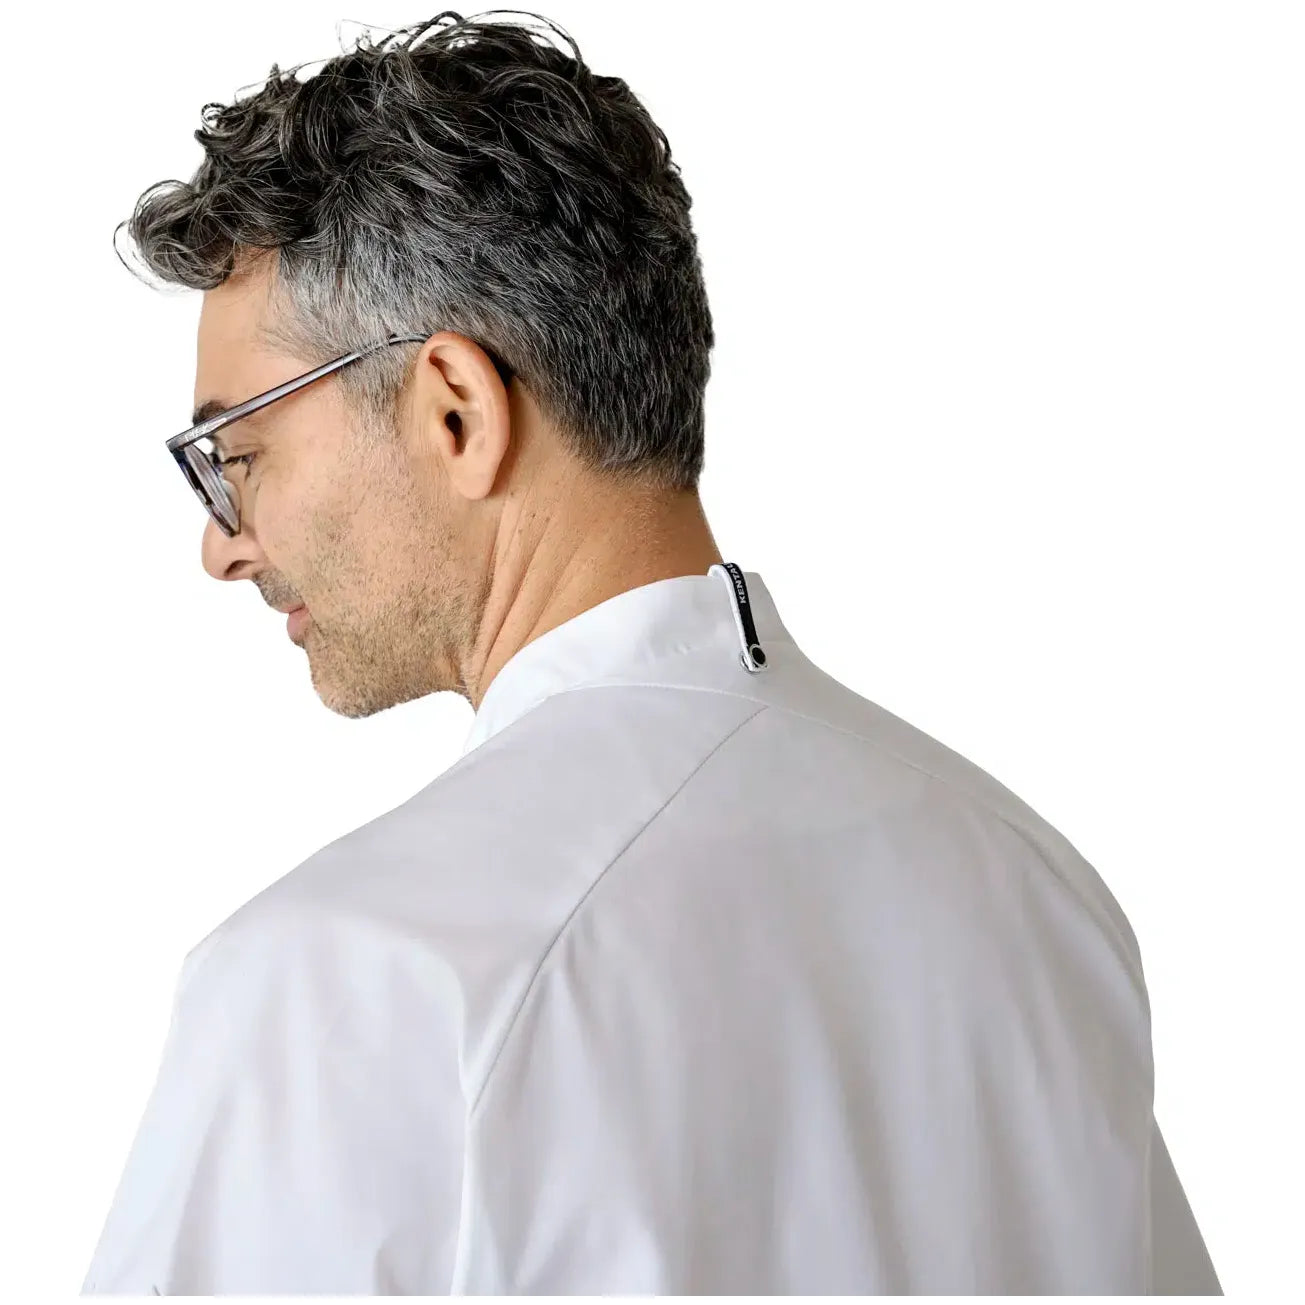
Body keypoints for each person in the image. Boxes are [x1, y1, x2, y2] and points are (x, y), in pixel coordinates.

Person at [81, 10, 1222, 1295]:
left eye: (237, 453)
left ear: (456, 411)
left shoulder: (351, 980)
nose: (223, 546)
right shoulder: (1033, 888)